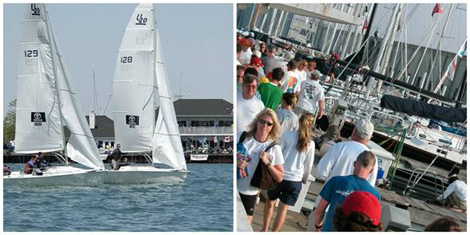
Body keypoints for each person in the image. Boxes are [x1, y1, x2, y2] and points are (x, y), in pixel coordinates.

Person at [262, 113, 316, 232]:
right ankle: (274, 232)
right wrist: (304, 179)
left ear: (299, 122)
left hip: (279, 176)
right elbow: (308, 165)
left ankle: (264, 229)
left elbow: (275, 153)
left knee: (270, 203)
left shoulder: (287, 135)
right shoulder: (311, 144)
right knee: (283, 209)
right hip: (295, 181)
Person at [313, 151, 381, 232]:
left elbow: (319, 210)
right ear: (371, 171)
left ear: (355, 163)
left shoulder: (335, 181)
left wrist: (318, 227)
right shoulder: (375, 195)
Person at [237, 108, 285, 224]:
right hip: (233, 188)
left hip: (250, 193)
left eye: (269, 124)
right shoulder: (242, 137)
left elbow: (280, 177)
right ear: (257, 122)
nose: (265, 125)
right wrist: (236, 161)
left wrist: (267, 162)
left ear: (273, 127)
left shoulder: (273, 147)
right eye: (262, 121)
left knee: (245, 226)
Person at [316, 118, 378, 186]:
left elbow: (321, 173)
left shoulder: (339, 147)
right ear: (369, 138)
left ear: (354, 131)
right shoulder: (373, 158)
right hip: (355, 196)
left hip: (332, 193)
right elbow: (370, 185)